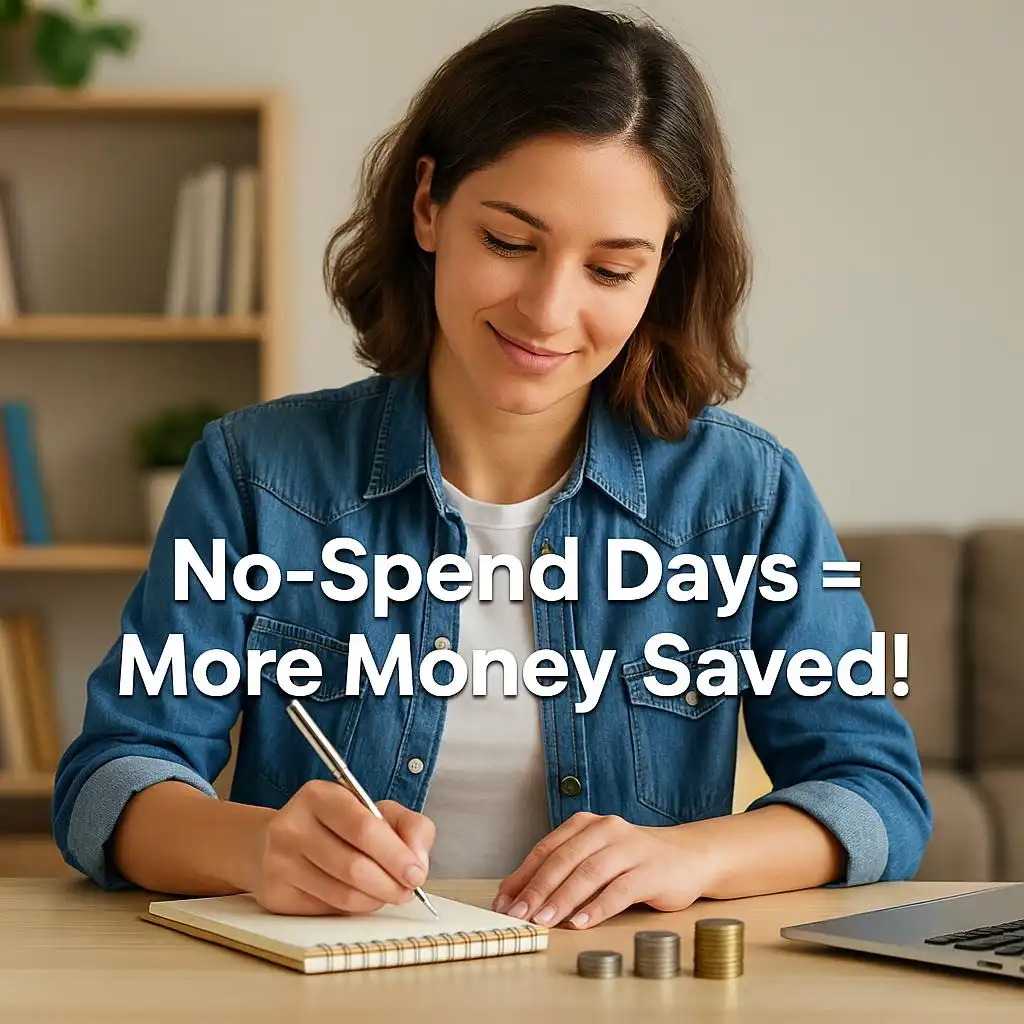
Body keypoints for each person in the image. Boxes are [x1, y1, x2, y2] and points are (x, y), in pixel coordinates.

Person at [52, 4, 930, 931]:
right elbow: (110, 781)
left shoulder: (744, 497)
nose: (549, 311)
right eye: (510, 243)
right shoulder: (255, 475)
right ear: (429, 205)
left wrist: (690, 853)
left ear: (665, 263)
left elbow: (874, 795)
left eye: (610, 269)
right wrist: (255, 847)